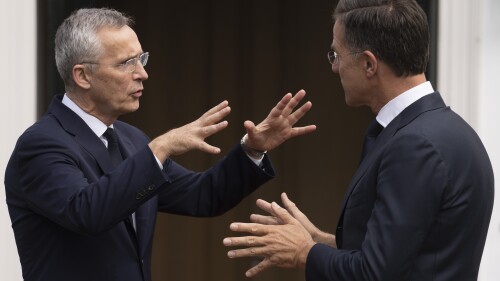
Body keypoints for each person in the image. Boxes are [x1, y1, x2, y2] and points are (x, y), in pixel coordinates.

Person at [4, 8, 317, 281]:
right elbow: (87, 213)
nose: (143, 74)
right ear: (83, 76)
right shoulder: (41, 145)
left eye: (142, 59)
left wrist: (252, 149)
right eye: (127, 63)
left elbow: (203, 196)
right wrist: (159, 149)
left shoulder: (130, 139)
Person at [223, 0, 495, 280]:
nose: (334, 68)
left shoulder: (414, 145)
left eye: (336, 55)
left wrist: (305, 252)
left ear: (368, 64)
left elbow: (374, 274)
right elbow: (404, 258)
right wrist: (318, 242)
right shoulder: (451, 131)